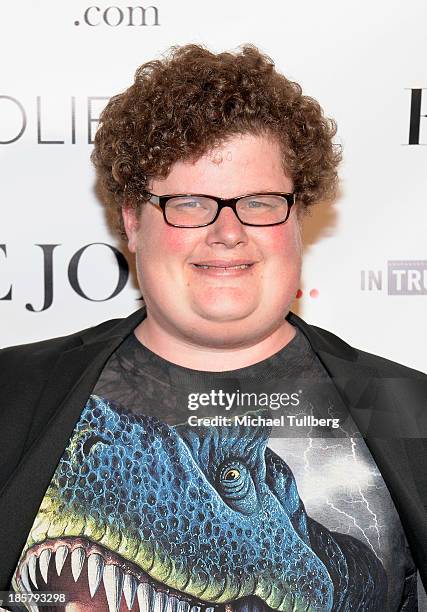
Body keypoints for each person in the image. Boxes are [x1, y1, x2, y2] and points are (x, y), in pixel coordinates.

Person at [0, 44, 426, 612]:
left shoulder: (408, 410)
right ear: (132, 220)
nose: (227, 231)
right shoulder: (13, 394)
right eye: (191, 202)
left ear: (298, 217)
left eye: (258, 201)